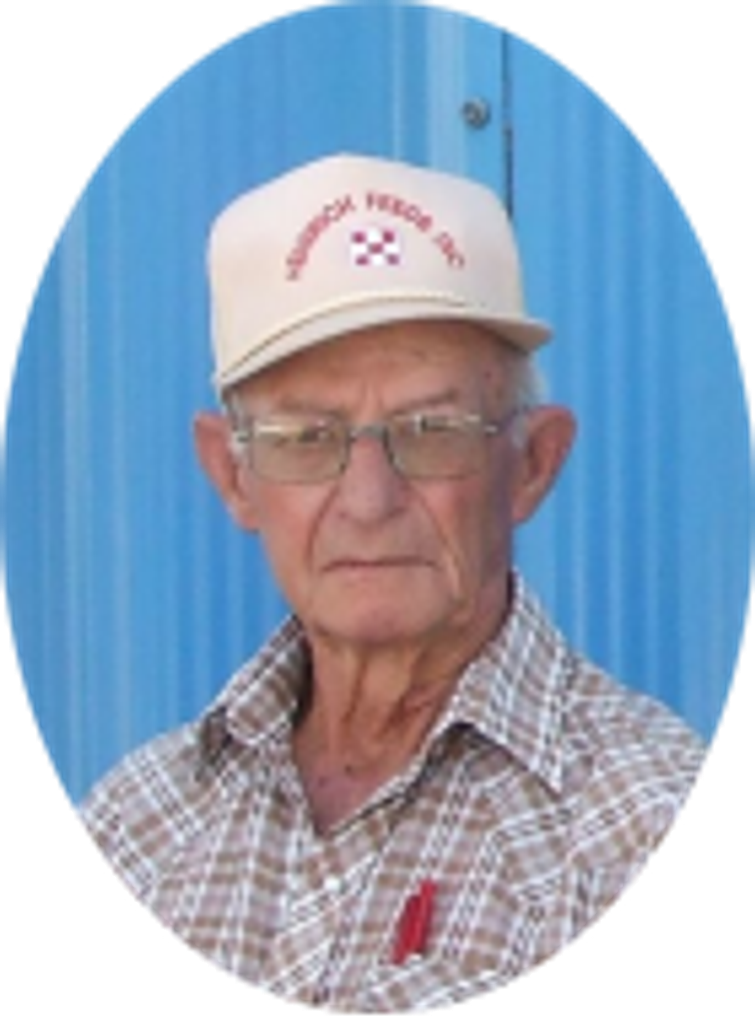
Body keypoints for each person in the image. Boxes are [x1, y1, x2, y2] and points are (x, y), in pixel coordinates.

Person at [75, 153, 710, 1013]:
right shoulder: (135, 827)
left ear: (531, 464)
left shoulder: (640, 827)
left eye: (431, 429)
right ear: (232, 475)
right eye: (305, 438)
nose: (368, 501)